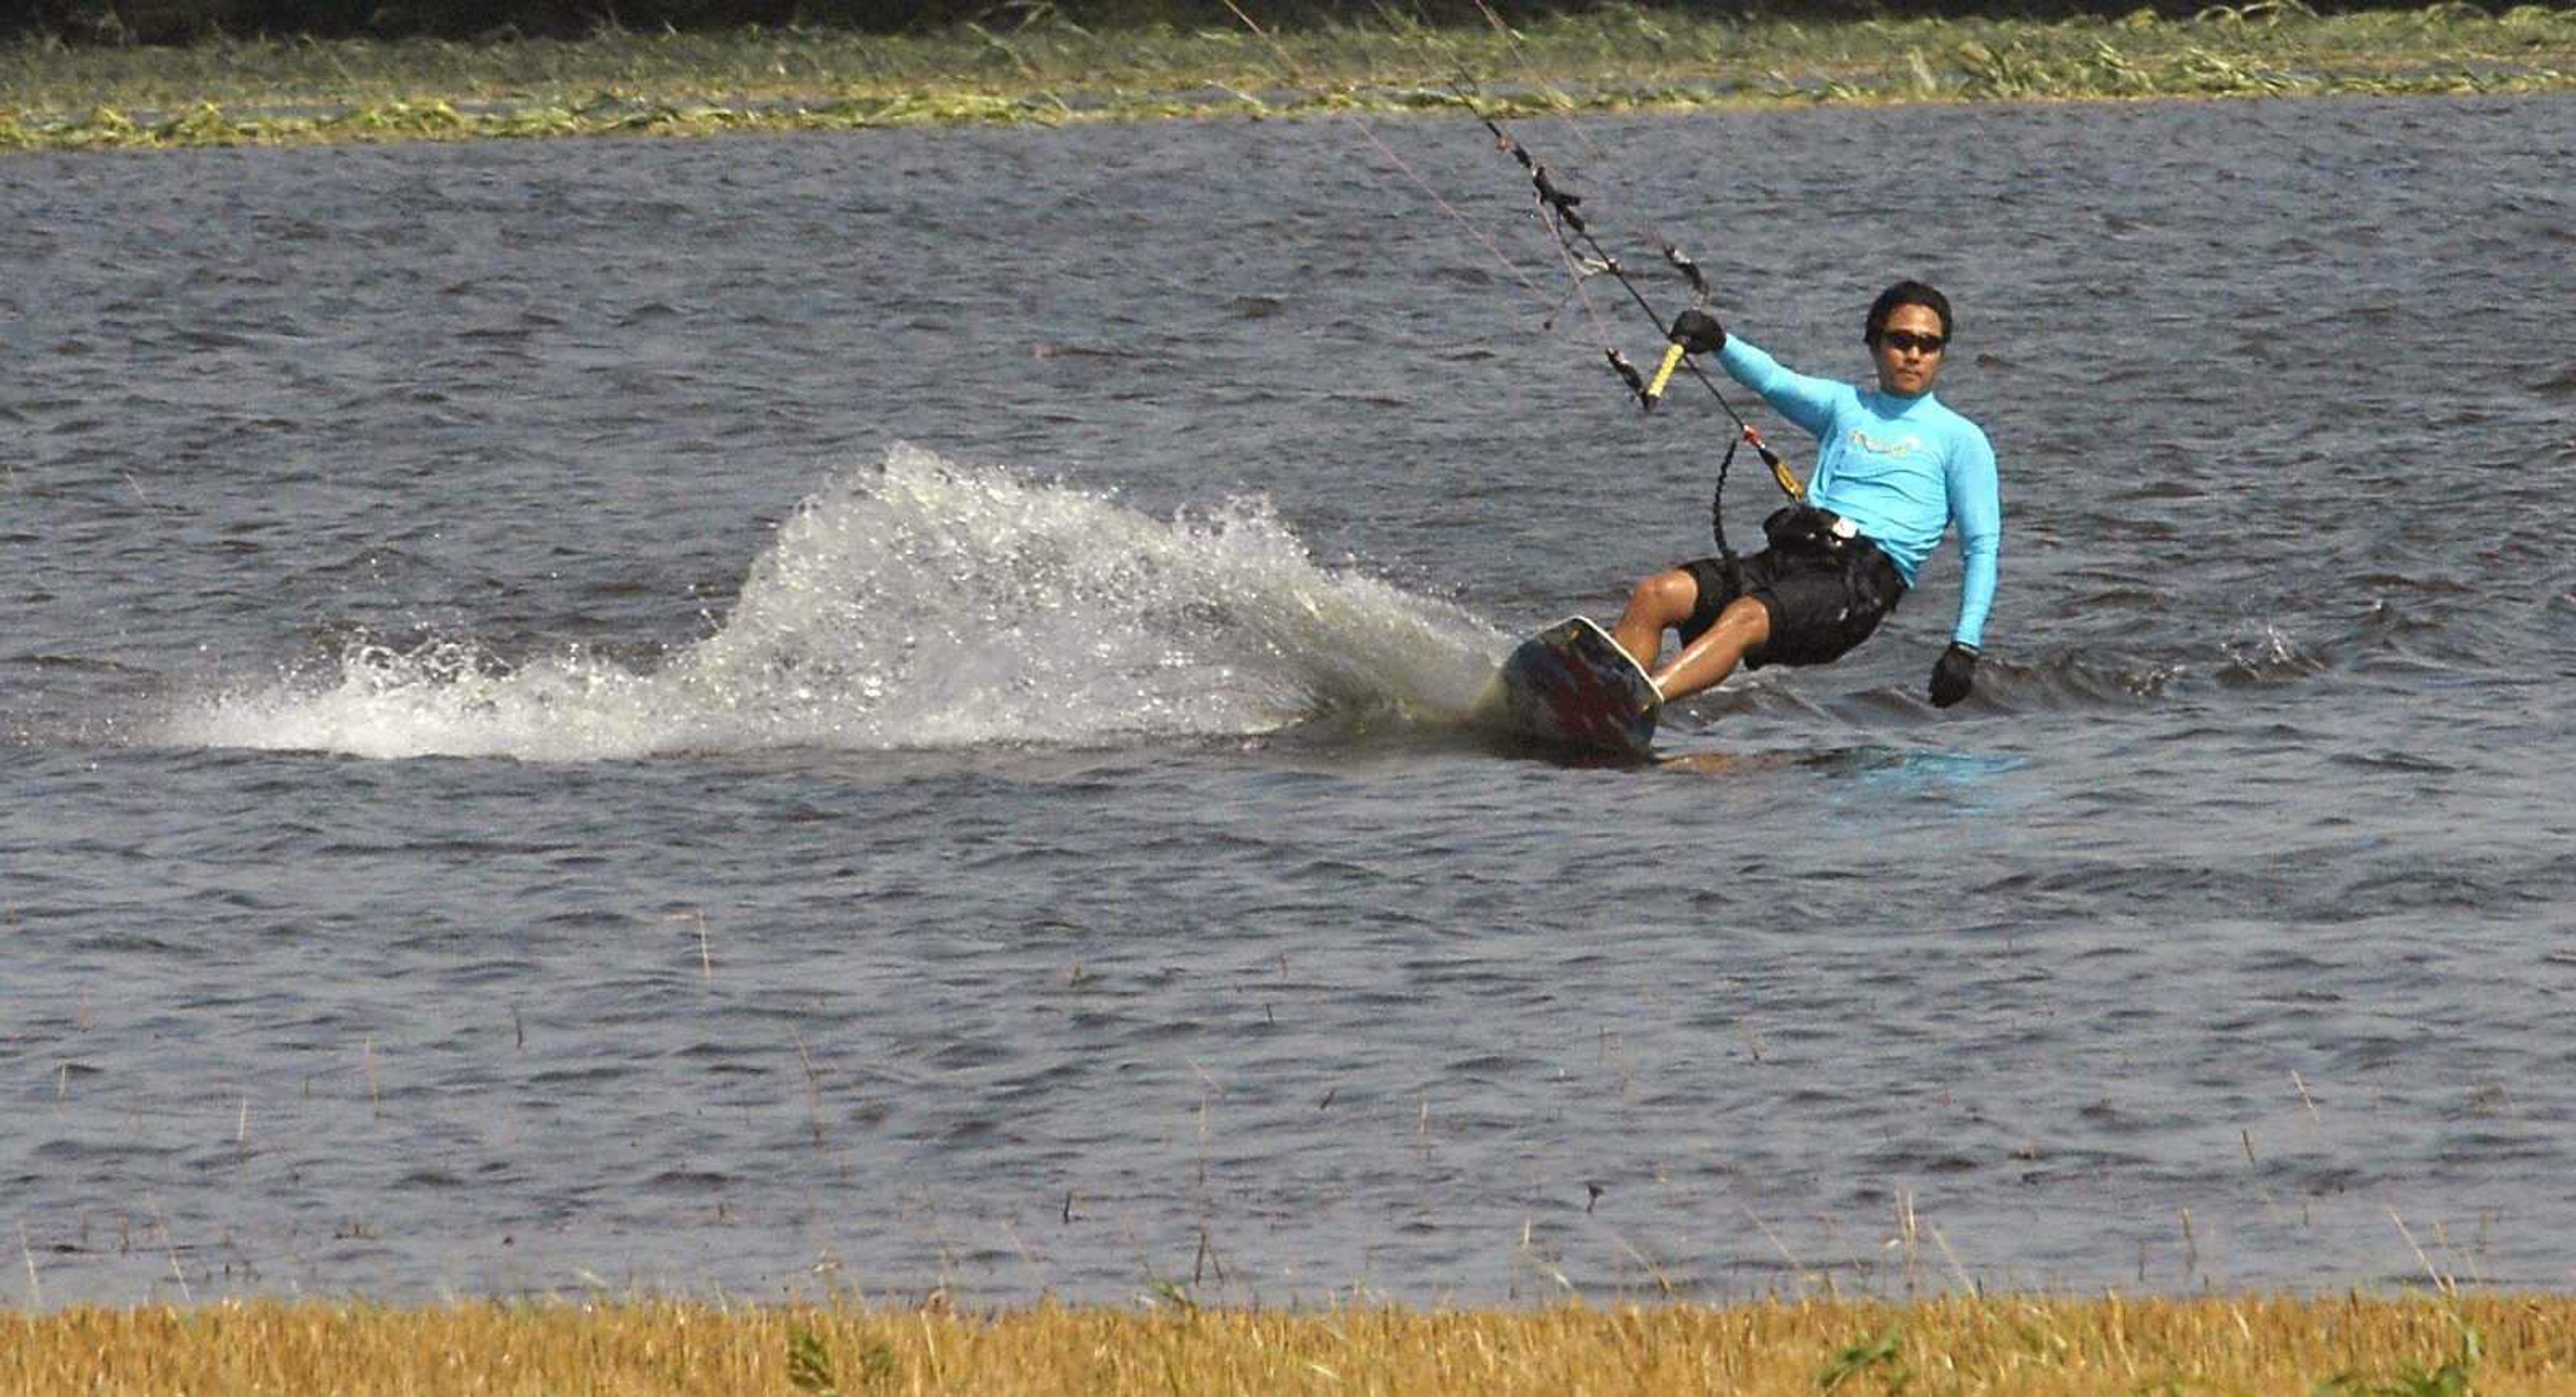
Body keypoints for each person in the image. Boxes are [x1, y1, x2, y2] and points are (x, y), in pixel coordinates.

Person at [1608, 280, 2000, 710]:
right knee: (1656, 594)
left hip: (1857, 587)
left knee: (1744, 617)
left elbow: (1981, 547)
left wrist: (1964, 646)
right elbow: (1775, 381)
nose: (1914, 355)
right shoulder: (1845, 406)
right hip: (1793, 558)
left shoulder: (1961, 439)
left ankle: (1633, 704)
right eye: (1901, 340)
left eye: (1929, 345)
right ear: (1875, 344)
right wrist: (1719, 341)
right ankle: (1599, 701)